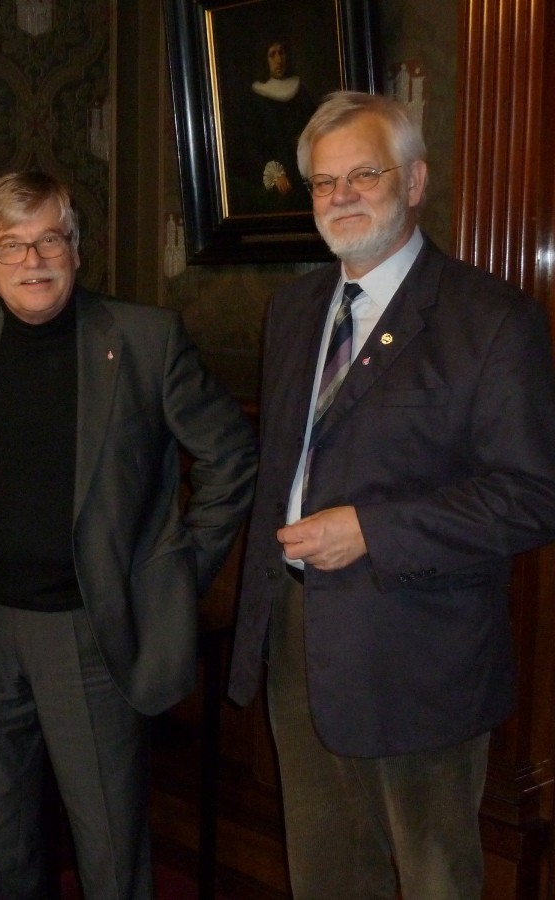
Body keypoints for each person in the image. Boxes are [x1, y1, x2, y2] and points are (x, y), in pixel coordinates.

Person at [228, 91, 555, 899]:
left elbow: (532, 495)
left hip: (421, 657)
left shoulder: (492, 319)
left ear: (414, 182)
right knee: (327, 877)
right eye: (323, 182)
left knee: (434, 878)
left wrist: (373, 529)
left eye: (363, 175)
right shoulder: (294, 309)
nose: (340, 196)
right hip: (299, 641)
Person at [0, 171, 257, 898]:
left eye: (49, 240)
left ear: (75, 248)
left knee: (109, 850)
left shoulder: (144, 339)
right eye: (11, 245)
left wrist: (175, 574)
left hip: (89, 631)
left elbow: (231, 455)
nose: (32, 260)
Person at [228, 36, 316, 213]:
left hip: (303, 171)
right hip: (275, 178)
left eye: (281, 53)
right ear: (264, 60)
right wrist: (274, 174)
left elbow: (315, 128)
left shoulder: (301, 91)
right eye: (272, 55)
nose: (279, 60)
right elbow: (249, 145)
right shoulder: (255, 98)